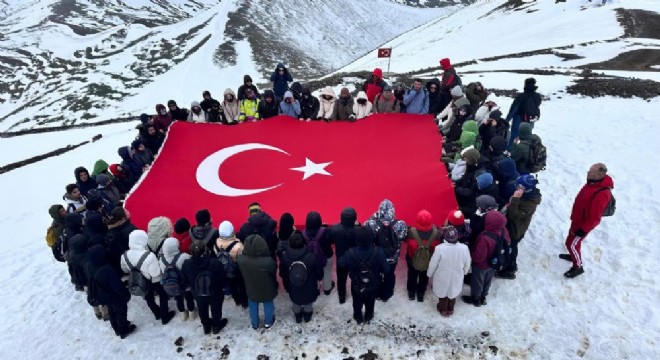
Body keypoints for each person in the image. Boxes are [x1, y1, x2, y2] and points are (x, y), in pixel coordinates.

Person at [559, 163, 614, 278]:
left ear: (599, 175)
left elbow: (595, 217)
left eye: (591, 171)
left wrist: (583, 230)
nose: (588, 172)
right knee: (571, 241)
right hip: (577, 220)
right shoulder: (592, 183)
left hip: (582, 225)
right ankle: (573, 255)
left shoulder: (602, 193)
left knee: (571, 244)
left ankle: (578, 266)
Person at [121, 230, 175, 324]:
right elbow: (155, 273)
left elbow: (125, 269)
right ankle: (165, 316)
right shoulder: (149, 256)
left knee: (148, 297)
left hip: (139, 280)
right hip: (154, 280)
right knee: (163, 295)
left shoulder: (124, 256)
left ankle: (156, 312)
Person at [338, 226, 388, 324]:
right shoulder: (379, 252)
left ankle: (358, 317)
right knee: (370, 301)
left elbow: (340, 263)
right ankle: (369, 316)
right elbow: (386, 269)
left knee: (356, 302)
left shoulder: (350, 252)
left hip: (356, 284)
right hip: (373, 283)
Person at [497, 174, 542, 279]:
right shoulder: (525, 196)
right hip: (511, 226)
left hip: (515, 230)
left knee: (511, 249)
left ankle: (510, 270)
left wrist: (516, 199)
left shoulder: (530, 204)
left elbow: (513, 215)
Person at [86, 245, 135, 338]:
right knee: (121, 312)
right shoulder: (107, 270)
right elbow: (117, 286)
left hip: (104, 294)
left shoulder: (90, 265)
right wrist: (125, 294)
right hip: (114, 295)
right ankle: (124, 330)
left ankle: (116, 328)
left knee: (111, 311)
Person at [463, 211, 510, 307]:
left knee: (477, 280)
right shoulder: (503, 230)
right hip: (494, 261)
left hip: (481, 265)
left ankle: (475, 298)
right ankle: (483, 295)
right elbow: (508, 241)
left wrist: (471, 255)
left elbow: (479, 256)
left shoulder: (485, 238)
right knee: (488, 279)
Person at [365, 199, 408, 302]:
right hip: (392, 257)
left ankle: (377, 293)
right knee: (389, 274)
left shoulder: (372, 223)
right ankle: (387, 293)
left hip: (376, 257)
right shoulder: (400, 224)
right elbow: (402, 237)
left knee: (376, 274)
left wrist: (374, 218)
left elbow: (365, 236)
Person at [182, 240, 228, 334]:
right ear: (205, 250)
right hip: (215, 292)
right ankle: (216, 326)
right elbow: (223, 278)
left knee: (202, 308)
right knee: (216, 309)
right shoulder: (215, 263)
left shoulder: (186, 264)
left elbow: (185, 279)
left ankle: (206, 327)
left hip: (197, 292)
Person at [427, 226, 471, 317]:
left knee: (443, 294)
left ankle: (442, 308)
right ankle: (450, 309)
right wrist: (465, 271)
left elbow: (433, 263)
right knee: (453, 293)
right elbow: (468, 261)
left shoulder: (440, 248)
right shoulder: (464, 248)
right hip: (457, 276)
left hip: (442, 276)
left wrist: (429, 273)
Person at [279, 232, 323, 323]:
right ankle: (307, 316)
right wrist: (319, 278)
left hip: (293, 286)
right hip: (309, 286)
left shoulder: (285, 257)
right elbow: (319, 271)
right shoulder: (311, 257)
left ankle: (297, 316)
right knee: (308, 303)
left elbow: (282, 273)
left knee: (296, 301)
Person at [236, 234, 278, 330]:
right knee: (268, 304)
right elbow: (273, 271)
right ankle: (269, 322)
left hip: (251, 287)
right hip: (267, 288)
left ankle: (255, 324)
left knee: (253, 305)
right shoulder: (268, 261)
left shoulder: (241, 260)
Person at [403, 210, 442, 302]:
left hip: (412, 258)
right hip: (428, 260)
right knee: (424, 277)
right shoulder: (437, 234)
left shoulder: (411, 232)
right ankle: (421, 293)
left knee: (412, 275)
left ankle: (411, 292)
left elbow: (405, 241)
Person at [159, 237, 196, 321]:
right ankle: (192, 313)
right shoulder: (183, 256)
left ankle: (183, 314)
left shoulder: (161, 260)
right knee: (189, 297)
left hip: (173, 284)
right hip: (185, 283)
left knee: (178, 299)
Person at [214, 221, 247, 308]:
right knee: (241, 285)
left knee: (232, 285)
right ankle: (244, 302)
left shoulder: (216, 243)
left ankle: (237, 300)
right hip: (237, 268)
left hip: (225, 268)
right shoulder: (238, 245)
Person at [330, 207, 358, 304]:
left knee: (341, 279)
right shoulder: (358, 230)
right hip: (354, 259)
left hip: (341, 258)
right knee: (355, 278)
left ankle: (341, 296)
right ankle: (355, 294)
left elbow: (331, 240)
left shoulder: (335, 229)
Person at [303, 211, 334, 295]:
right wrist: (325, 227)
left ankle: (316, 289)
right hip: (326, 255)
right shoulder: (326, 231)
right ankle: (327, 289)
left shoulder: (304, 233)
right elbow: (331, 241)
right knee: (327, 272)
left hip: (311, 258)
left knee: (313, 273)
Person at [506, 78, 542, 149]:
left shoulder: (521, 96)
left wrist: (506, 120)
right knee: (526, 136)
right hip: (531, 119)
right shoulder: (537, 96)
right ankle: (526, 152)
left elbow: (514, 109)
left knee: (514, 136)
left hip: (519, 119)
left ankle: (510, 151)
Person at [106, 207, 138, 274]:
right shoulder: (129, 229)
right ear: (123, 218)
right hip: (133, 261)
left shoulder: (111, 231)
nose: (128, 212)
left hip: (123, 262)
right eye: (126, 212)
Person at [275, 213, 298, 292]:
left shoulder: (277, 235)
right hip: (293, 260)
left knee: (285, 276)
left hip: (283, 261)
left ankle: (287, 288)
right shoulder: (295, 234)